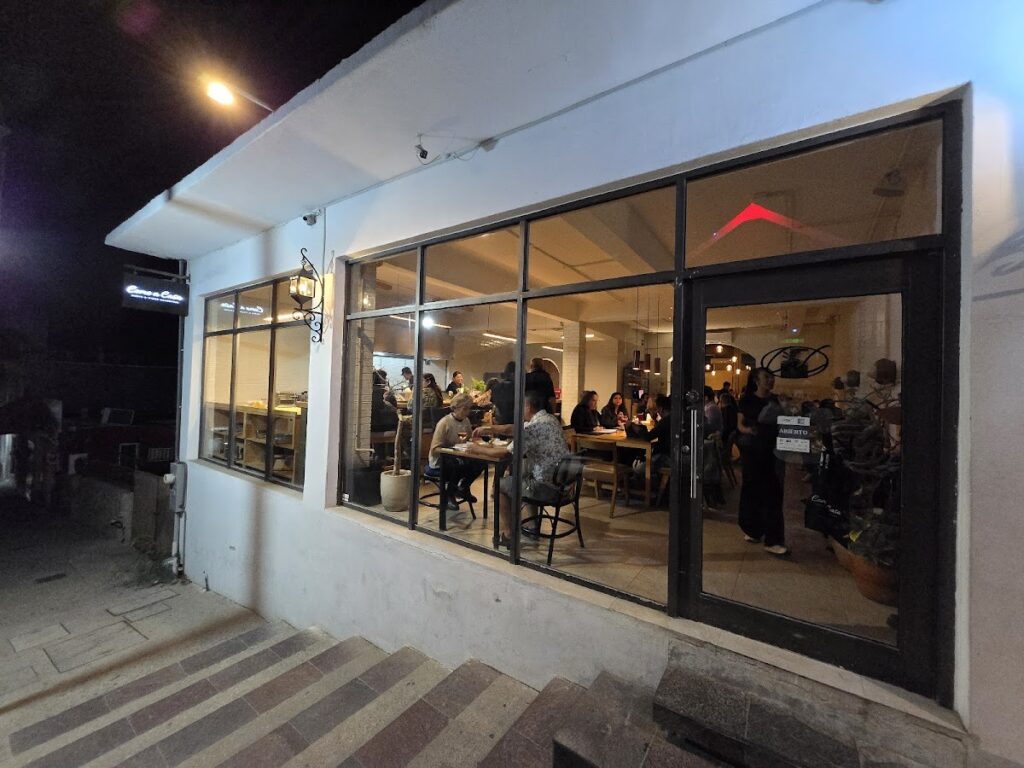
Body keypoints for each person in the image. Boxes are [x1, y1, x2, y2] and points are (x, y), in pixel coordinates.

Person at [468, 390, 569, 546]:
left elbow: (505, 453)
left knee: (499, 486)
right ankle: (533, 526)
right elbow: (513, 428)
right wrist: (489, 429)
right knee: (523, 472)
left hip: (547, 488)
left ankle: (509, 535)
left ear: (528, 407)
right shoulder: (550, 419)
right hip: (564, 484)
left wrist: (476, 449)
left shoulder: (533, 427)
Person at [736, 367, 788, 555]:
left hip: (773, 452)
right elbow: (740, 425)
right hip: (753, 451)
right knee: (751, 491)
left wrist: (786, 409)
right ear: (756, 380)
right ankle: (753, 530)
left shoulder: (776, 400)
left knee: (773, 493)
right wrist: (749, 430)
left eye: (772, 377)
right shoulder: (747, 400)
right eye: (766, 377)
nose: (771, 380)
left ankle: (773, 539)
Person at [426, 392, 483, 508]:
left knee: (481, 463)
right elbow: (434, 449)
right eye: (464, 409)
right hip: (440, 460)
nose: (467, 412)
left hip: (458, 455)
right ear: (455, 407)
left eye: (469, 409)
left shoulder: (466, 421)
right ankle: (449, 494)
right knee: (457, 464)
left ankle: (463, 487)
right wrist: (453, 450)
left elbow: (468, 439)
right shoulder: (444, 423)